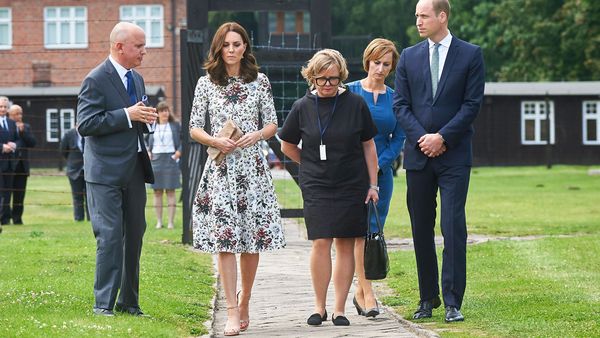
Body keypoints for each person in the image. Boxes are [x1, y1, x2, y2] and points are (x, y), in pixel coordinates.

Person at [189, 22, 285, 336]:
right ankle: (231, 309)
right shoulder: (205, 83)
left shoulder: (260, 81)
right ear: (219, 48)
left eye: (237, 44)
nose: (232, 50)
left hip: (253, 169)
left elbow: (272, 124)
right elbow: (194, 127)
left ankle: (245, 301)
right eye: (227, 45)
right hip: (220, 168)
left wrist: (256, 134)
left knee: (251, 240)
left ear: (245, 47)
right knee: (225, 240)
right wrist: (214, 141)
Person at [393, 0, 485, 323]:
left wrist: (442, 137)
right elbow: (401, 105)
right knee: (420, 229)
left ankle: (452, 302)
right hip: (419, 157)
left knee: (452, 226)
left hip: (454, 156)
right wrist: (424, 139)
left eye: (424, 15)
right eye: (416, 16)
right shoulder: (408, 57)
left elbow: (472, 104)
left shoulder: (471, 55)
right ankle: (427, 298)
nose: (418, 21)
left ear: (442, 16)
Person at [279, 49, 379, 327]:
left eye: (333, 80)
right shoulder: (302, 106)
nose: (327, 85)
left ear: (341, 77)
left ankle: (339, 309)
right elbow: (286, 144)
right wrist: (307, 163)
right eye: (321, 79)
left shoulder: (355, 104)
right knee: (321, 241)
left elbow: (368, 145)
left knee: (345, 243)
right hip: (317, 184)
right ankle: (319, 307)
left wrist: (373, 184)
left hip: (351, 182)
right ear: (312, 77)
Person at [77, 22, 158, 317]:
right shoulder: (95, 79)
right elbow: (86, 124)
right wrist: (127, 114)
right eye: (139, 46)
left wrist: (146, 119)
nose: (144, 52)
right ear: (119, 46)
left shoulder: (137, 79)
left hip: (134, 168)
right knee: (110, 236)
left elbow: (136, 118)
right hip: (104, 173)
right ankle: (103, 305)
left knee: (135, 234)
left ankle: (129, 303)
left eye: (144, 45)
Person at [346, 38, 405, 318]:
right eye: (376, 62)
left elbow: (399, 137)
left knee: (373, 231)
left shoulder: (396, 97)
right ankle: (367, 292)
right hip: (351, 174)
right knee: (357, 231)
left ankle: (361, 290)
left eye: (386, 64)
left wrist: (379, 164)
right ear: (367, 60)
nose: (380, 68)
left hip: (382, 175)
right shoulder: (349, 92)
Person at [147, 101, 181, 230]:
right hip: (156, 160)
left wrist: (178, 152)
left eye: (166, 110)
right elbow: (146, 141)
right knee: (157, 192)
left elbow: (183, 140)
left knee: (171, 191)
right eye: (161, 111)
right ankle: (159, 222)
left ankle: (171, 222)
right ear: (157, 113)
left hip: (171, 160)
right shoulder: (152, 126)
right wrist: (149, 152)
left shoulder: (175, 125)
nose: (164, 113)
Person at [8, 104, 36, 225]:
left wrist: (23, 131)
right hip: (8, 166)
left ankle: (17, 219)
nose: (19, 116)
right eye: (16, 114)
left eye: (20, 113)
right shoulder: (5, 126)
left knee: (20, 195)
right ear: (10, 115)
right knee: (6, 194)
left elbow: (32, 143)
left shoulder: (26, 127)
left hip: (22, 167)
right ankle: (5, 216)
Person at [60, 126, 88, 222]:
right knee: (77, 196)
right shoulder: (69, 134)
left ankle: (91, 218)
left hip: (89, 169)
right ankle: (79, 218)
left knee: (90, 196)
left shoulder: (89, 132)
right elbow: (63, 150)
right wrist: (72, 162)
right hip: (74, 170)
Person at [0, 96, 19, 226]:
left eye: (5, 107)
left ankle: (6, 219)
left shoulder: (12, 123)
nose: (3, 109)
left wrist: (14, 145)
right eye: (0, 106)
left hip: (10, 163)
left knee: (8, 192)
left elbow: (18, 139)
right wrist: (2, 147)